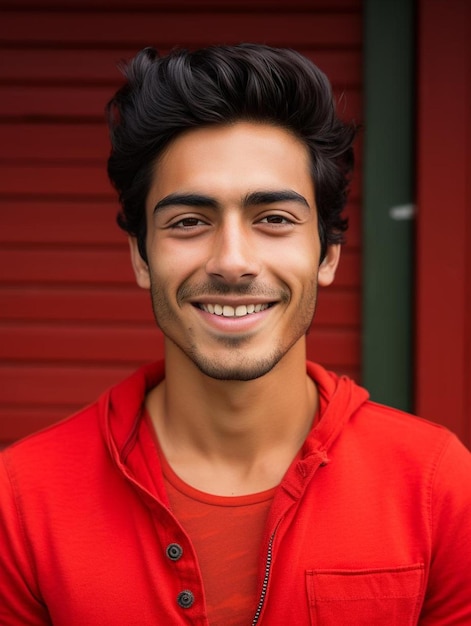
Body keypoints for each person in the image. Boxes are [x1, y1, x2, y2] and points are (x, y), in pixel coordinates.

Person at [1, 44, 470, 626]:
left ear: (327, 254)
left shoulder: (435, 485)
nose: (232, 261)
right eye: (189, 221)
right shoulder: (22, 497)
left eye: (273, 218)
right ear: (141, 257)